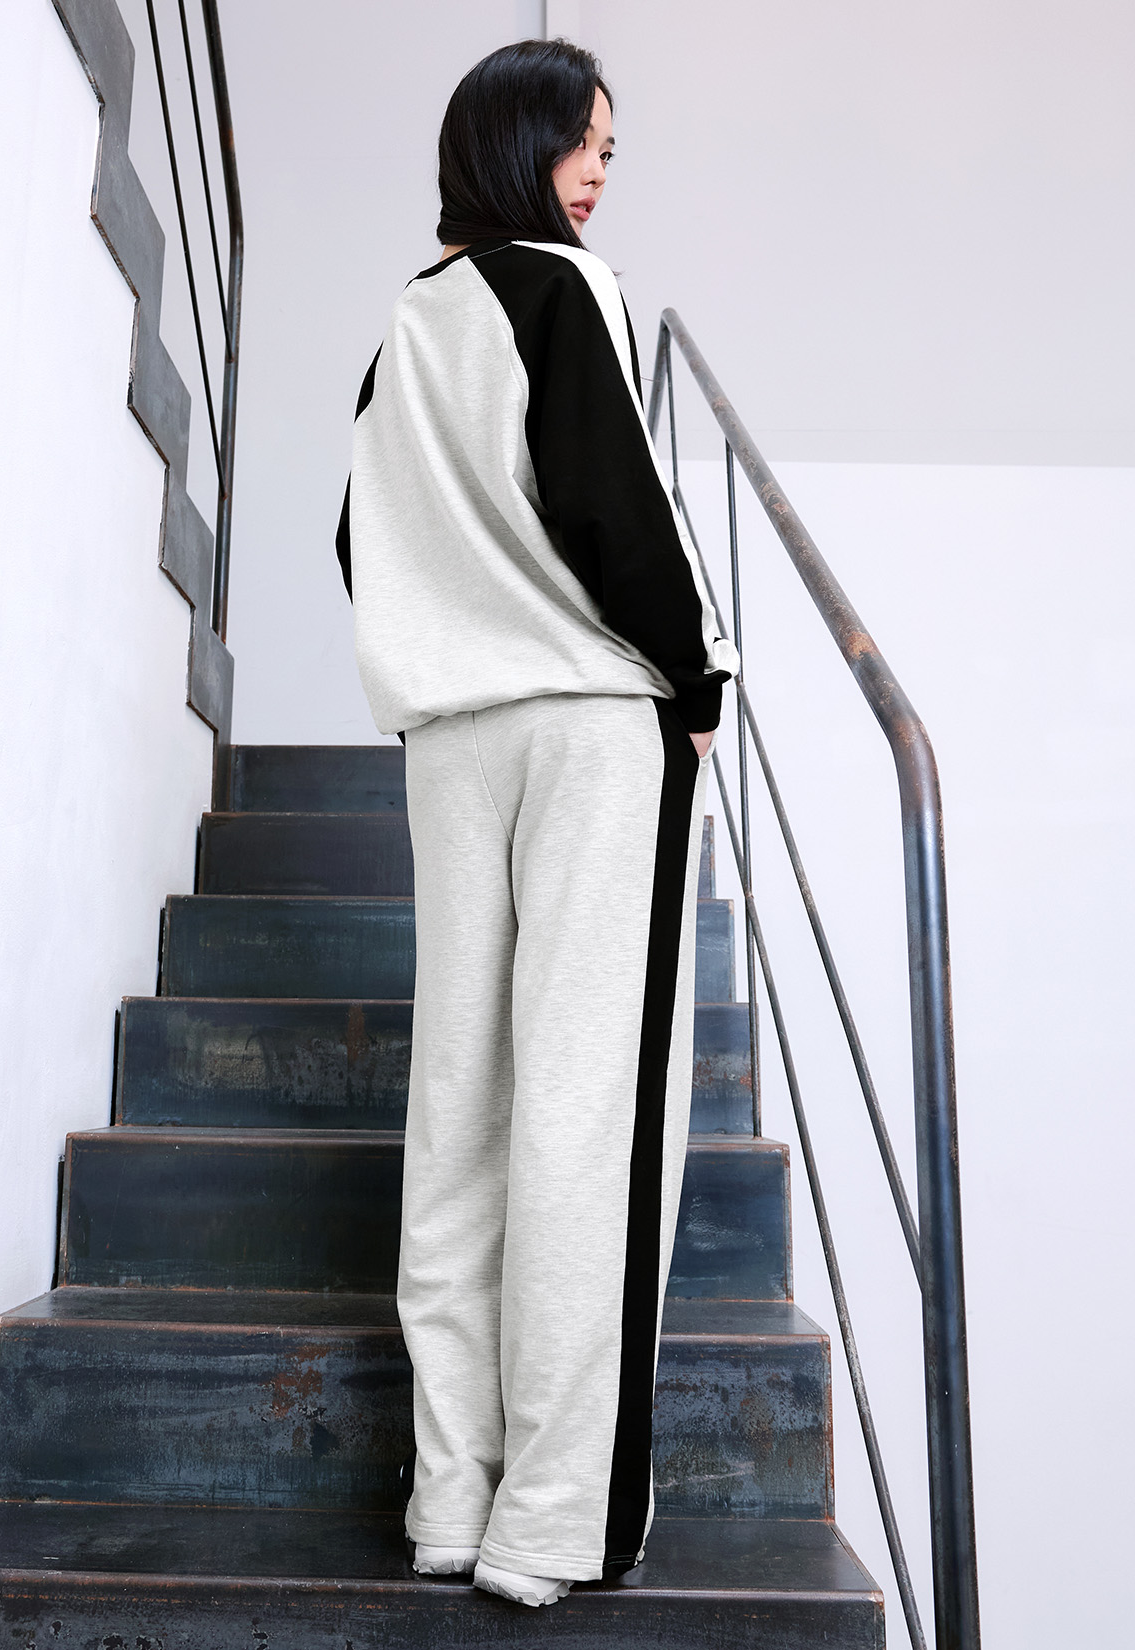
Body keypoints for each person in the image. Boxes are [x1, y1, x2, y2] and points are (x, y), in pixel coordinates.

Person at [335, 36, 736, 1609]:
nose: (598, 176)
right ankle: (554, 1520)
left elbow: (358, 539)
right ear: (519, 142)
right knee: (583, 1110)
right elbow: (617, 505)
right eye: (587, 145)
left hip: (451, 746)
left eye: (610, 155)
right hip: (585, 734)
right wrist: (695, 671)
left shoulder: (406, 324)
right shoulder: (564, 289)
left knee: (460, 1114)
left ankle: (449, 1494)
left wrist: (457, 633)